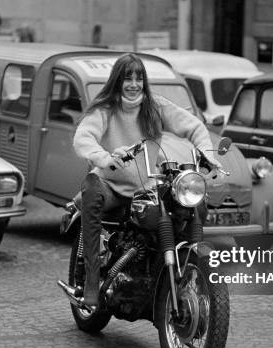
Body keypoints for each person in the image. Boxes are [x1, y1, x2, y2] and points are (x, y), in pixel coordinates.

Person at [72, 53, 221, 306]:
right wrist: (105, 158)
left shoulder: (155, 106)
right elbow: (83, 138)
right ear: (117, 81)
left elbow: (194, 127)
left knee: (192, 204)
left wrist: (206, 154)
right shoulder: (105, 110)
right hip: (110, 186)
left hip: (145, 187)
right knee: (91, 188)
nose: (134, 84)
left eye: (139, 78)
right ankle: (92, 281)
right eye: (127, 78)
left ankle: (186, 269)